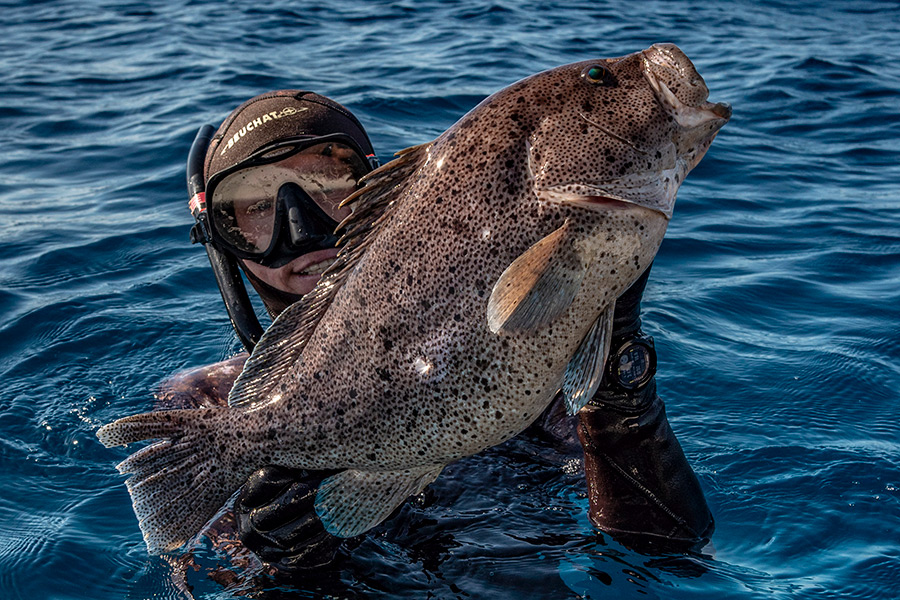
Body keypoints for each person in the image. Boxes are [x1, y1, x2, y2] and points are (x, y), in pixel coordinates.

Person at [159, 89, 713, 577]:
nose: (302, 226)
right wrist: (294, 571)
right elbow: (197, 579)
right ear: (223, 237)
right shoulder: (208, 407)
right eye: (256, 207)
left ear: (383, 198)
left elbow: (670, 557)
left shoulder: (520, 348)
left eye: (330, 185)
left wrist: (620, 389)